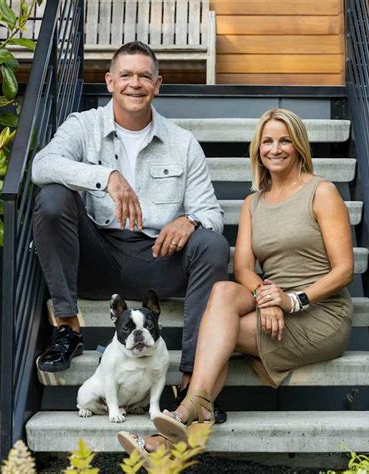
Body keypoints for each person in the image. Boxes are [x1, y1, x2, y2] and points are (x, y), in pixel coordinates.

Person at [118, 108, 354, 458]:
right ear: (258, 149)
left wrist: (292, 300)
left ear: (299, 146)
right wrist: (267, 297)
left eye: (285, 141)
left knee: (218, 331)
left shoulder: (322, 192)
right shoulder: (252, 203)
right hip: (273, 305)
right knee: (223, 291)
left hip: (319, 313)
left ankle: (181, 417)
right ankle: (189, 419)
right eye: (267, 141)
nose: (275, 149)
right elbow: (243, 268)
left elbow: (345, 270)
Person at [31, 41, 230, 420]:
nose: (134, 83)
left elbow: (212, 212)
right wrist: (105, 176)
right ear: (110, 81)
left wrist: (190, 220)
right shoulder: (83, 126)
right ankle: (68, 329)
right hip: (98, 258)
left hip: (159, 259)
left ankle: (193, 379)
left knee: (212, 243)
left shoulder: (183, 142)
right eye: (125, 75)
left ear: (158, 84)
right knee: (54, 198)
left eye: (144, 76)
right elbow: (42, 165)